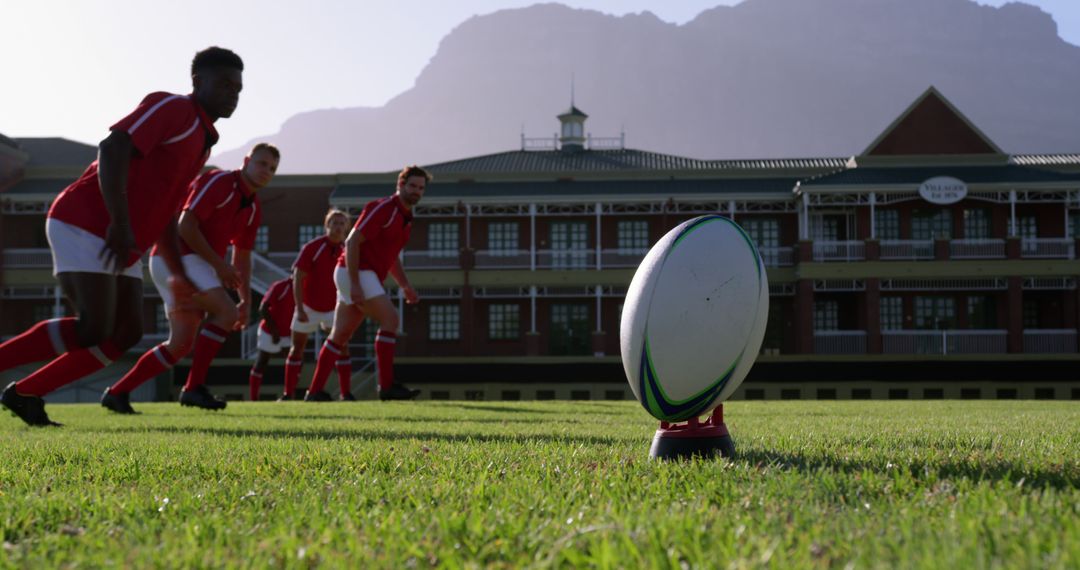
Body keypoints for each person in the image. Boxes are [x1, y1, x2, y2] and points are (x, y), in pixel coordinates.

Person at [0, 47, 243, 426]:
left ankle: (25, 393)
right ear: (197, 82)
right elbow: (112, 146)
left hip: (122, 239)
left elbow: (167, 211)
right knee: (93, 327)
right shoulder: (175, 108)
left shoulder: (203, 141)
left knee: (124, 334)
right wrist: (120, 222)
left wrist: (177, 274)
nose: (233, 93)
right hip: (86, 221)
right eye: (224, 83)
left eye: (238, 88)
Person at [100, 143, 279, 413]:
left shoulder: (253, 207)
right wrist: (220, 267)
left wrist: (245, 301)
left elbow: (242, 256)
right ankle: (193, 389)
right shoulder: (220, 181)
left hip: (195, 263)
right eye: (262, 163)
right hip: (176, 258)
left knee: (180, 344)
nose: (266, 171)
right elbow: (185, 226)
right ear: (246, 160)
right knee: (225, 313)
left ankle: (117, 393)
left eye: (272, 168)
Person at [304, 165, 427, 402]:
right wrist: (355, 284)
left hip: (356, 275)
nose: (416, 191)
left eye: (421, 188)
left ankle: (315, 392)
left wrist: (405, 285)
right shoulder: (383, 208)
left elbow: (391, 260)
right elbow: (351, 243)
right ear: (400, 185)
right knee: (390, 319)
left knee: (339, 336)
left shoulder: (406, 219)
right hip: (356, 272)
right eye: (412, 185)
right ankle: (387, 387)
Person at [280, 210, 351, 401]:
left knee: (342, 347)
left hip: (335, 309)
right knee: (297, 349)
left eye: (342, 223)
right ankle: (288, 394)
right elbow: (297, 278)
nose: (338, 226)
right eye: (334, 222)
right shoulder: (313, 247)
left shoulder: (349, 248)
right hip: (308, 307)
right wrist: (300, 307)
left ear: (347, 227)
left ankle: (346, 394)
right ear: (327, 224)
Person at [247, 277, 295, 401]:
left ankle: (288, 395)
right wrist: (274, 331)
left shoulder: (306, 288)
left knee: (294, 361)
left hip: (288, 333)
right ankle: (254, 399)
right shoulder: (280, 286)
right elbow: (263, 308)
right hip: (268, 330)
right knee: (262, 361)